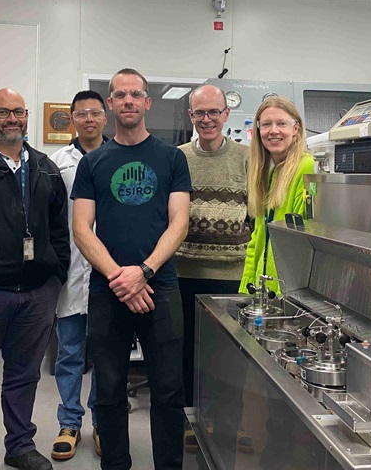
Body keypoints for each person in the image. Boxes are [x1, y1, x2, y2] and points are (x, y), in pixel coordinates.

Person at [72, 68, 191, 470]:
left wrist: (144, 270)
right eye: (119, 95)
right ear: (110, 104)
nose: (127, 101)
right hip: (109, 290)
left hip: (162, 286)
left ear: (146, 102)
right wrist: (120, 277)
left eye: (134, 94)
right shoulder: (93, 163)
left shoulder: (172, 157)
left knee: (168, 389)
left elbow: (179, 223)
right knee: (107, 389)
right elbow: (81, 229)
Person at [0, 88, 69, 470]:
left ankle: (19, 446)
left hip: (38, 291)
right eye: (3, 112)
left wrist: (57, 272)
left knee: (24, 375)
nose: (12, 119)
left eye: (18, 112)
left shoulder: (44, 166)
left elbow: (58, 226)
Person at [174, 84, 250, 447]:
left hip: (233, 276)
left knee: (231, 358)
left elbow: (258, 212)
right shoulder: (178, 158)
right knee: (188, 352)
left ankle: (230, 425)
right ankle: (190, 420)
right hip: (184, 273)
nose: (207, 119)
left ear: (226, 115)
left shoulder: (248, 158)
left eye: (213, 112)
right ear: (191, 117)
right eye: (199, 113)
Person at [48, 90, 109, 461]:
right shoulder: (57, 163)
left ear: (106, 117)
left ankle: (102, 420)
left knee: (106, 353)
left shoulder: (119, 157)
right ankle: (70, 422)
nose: (89, 119)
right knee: (69, 353)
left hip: (109, 272)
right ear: (72, 118)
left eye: (95, 113)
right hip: (70, 271)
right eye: (81, 114)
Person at [240, 96, 314, 293]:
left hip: (290, 288)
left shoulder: (308, 167)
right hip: (265, 287)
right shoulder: (268, 172)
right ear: (258, 130)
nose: (273, 131)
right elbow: (258, 236)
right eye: (266, 124)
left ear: (295, 129)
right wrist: (247, 287)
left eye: (281, 123)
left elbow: (305, 236)